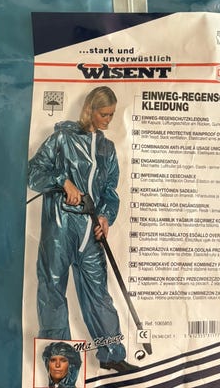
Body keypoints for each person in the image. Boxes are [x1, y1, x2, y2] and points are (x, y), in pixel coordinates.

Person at [28, 86, 137, 373]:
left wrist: (105, 217)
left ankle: (111, 354)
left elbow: (110, 191)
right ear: (90, 110)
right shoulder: (61, 139)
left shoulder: (107, 149)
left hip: (90, 232)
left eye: (112, 115)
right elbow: (33, 172)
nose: (108, 120)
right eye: (104, 114)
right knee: (52, 289)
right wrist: (63, 182)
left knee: (98, 293)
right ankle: (57, 361)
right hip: (60, 228)